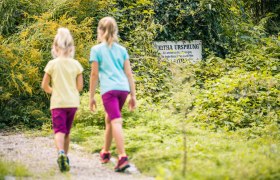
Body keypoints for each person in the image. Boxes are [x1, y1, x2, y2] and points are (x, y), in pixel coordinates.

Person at [89, 16, 136, 172]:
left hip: (109, 91)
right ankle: (106, 152)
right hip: (123, 89)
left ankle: (122, 157)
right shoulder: (122, 50)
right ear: (115, 31)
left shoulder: (96, 50)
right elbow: (129, 74)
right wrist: (133, 95)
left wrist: (91, 97)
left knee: (115, 121)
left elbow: (94, 75)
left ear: (100, 31)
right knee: (109, 119)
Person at [41, 27, 83, 172]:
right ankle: (66, 156)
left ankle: (60, 153)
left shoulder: (52, 64)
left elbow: (44, 85)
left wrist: (55, 91)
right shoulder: (76, 64)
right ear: (71, 48)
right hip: (72, 103)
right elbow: (79, 87)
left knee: (59, 130)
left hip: (58, 103)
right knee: (67, 132)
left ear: (55, 47)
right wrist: (69, 91)